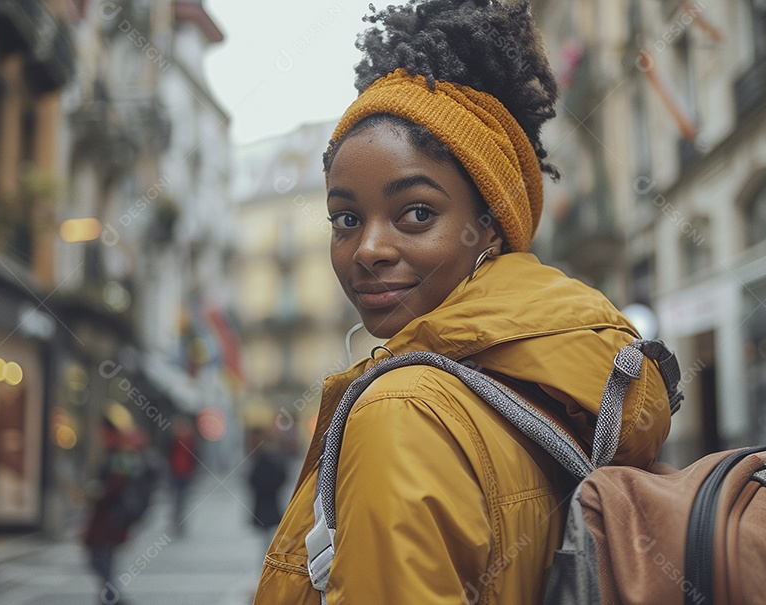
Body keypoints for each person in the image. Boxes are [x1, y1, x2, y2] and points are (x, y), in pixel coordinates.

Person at [253, 1, 673, 603]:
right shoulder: (567, 384)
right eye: (346, 218)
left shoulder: (403, 412)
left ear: (492, 224)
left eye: (416, 213)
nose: (367, 248)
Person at [83, 410, 155, 604]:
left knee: (102, 554)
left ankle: (111, 594)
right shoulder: (119, 449)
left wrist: (99, 492)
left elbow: (118, 482)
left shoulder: (123, 450)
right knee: (103, 555)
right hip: (110, 512)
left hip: (113, 512)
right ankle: (110, 593)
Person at [246, 426, 288, 557]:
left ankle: (269, 558)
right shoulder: (263, 457)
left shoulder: (266, 458)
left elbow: (256, 479)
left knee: (269, 534)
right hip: (267, 501)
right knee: (267, 534)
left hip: (267, 501)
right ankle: (268, 558)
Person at [167, 416, 198, 535]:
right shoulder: (172, 438)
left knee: (182, 499)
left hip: (186, 473)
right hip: (175, 472)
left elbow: (195, 455)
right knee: (177, 498)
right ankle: (177, 521)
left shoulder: (190, 439)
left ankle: (179, 521)